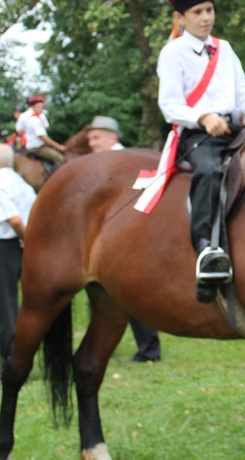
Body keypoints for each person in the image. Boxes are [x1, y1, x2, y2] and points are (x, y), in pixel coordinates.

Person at [149, 0, 245, 302]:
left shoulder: (225, 49)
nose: (206, 17)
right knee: (209, 171)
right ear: (180, 18)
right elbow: (170, 105)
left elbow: (244, 94)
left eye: (209, 10)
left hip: (234, 130)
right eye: (197, 12)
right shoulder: (173, 53)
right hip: (197, 134)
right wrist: (204, 117)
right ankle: (206, 247)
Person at [86, 115, 162, 363]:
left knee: (130, 291)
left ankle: (149, 349)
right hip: (111, 237)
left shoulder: (126, 162)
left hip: (131, 236)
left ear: (112, 137)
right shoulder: (106, 162)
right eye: (90, 139)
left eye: (96, 138)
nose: (92, 143)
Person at [0, 143, 36, 369]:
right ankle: (17, 356)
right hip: (18, 246)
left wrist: (26, 238)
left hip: (3, 248)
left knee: (0, 308)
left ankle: (13, 362)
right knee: (3, 304)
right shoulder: (19, 181)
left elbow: (13, 219)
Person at [15, 96, 66, 166]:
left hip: (38, 144)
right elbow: (43, 136)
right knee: (60, 158)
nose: (41, 109)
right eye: (39, 107)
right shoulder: (35, 120)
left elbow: (20, 131)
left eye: (42, 107)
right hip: (37, 147)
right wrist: (58, 146)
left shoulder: (38, 117)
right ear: (32, 107)